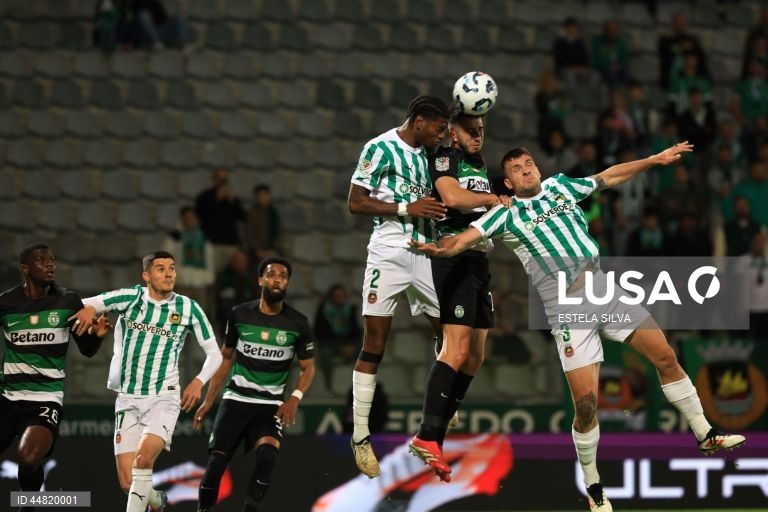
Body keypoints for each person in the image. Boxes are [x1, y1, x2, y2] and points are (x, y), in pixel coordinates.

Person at [412, 143, 746, 508]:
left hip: (604, 290)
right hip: (567, 308)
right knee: (586, 405)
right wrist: (440, 248)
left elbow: (609, 176)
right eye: (517, 169)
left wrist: (652, 160)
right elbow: (464, 239)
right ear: (507, 183)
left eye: (529, 163)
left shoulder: (561, 186)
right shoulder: (504, 214)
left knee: (665, 356)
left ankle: (705, 433)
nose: (526, 170)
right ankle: (593, 485)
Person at [70, 250, 223, 512]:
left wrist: (198, 381)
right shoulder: (130, 297)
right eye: (161, 268)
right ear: (146, 276)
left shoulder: (188, 308)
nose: (169, 273)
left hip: (164, 397)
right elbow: (88, 302)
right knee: (127, 483)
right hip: (127, 398)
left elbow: (215, 354)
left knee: (142, 461)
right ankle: (156, 500)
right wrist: (88, 311)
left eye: (171, 268)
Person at [347, 95, 450, 478]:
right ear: (419, 121)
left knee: (450, 335)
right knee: (374, 343)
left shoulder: (429, 157)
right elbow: (356, 202)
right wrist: (407, 208)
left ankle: (441, 407)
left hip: (425, 251)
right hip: (388, 250)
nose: (441, 135)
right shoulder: (379, 147)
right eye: (438, 128)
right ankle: (360, 436)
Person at [408, 109, 503, 482]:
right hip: (453, 257)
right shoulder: (446, 157)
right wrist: (492, 200)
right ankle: (427, 435)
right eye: (470, 130)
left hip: (478, 260)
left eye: (480, 129)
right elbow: (451, 196)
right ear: (453, 133)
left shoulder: (478, 163)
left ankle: (434, 436)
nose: (477, 135)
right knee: (457, 349)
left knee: (475, 355)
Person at [193, 256, 315, 512]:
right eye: (271, 275)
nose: (277, 280)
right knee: (215, 465)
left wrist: (295, 398)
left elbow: (308, 368)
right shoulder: (240, 314)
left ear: (287, 284)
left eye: (283, 276)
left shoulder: (298, 323)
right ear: (260, 280)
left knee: (267, 457)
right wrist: (209, 400)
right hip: (236, 400)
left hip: (270, 405)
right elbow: (226, 358)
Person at [0, 244, 109, 503]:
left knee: (28, 458)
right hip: (6, 398)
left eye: (51, 260)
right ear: (25, 268)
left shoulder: (67, 301)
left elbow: (87, 350)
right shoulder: (6, 303)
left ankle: (28, 503)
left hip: (44, 400)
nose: (50, 264)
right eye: (41, 260)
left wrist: (97, 337)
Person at [195, 169, 247, 274]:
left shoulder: (232, 198)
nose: (223, 182)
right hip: (212, 243)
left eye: (225, 180)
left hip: (231, 243)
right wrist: (216, 200)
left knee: (236, 272)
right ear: (214, 180)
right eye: (220, 179)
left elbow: (242, 217)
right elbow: (201, 216)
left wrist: (232, 202)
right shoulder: (204, 197)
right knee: (211, 274)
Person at [314, 284, 361, 389]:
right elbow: (321, 333)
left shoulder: (350, 310)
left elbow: (356, 330)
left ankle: (359, 384)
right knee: (325, 354)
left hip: (348, 344)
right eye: (337, 296)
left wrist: (351, 345)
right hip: (331, 344)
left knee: (364, 352)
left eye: (341, 295)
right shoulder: (324, 311)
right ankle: (328, 385)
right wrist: (340, 346)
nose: (339, 298)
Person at [244, 184, 282, 270]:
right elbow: (249, 233)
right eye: (260, 196)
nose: (262, 198)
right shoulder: (252, 213)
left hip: (272, 251)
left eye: (265, 195)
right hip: (256, 252)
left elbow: (279, 233)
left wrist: (273, 249)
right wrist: (258, 250)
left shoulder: (273, 213)